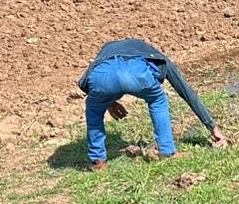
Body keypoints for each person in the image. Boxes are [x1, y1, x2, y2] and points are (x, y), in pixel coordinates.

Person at [78, 38, 226, 170]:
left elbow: (84, 83)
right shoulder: (154, 55)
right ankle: (167, 151)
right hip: (137, 73)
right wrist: (212, 127)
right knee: (157, 101)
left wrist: (107, 101)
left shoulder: (105, 51)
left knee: (94, 111)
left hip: (102, 77)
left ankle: (98, 161)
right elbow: (185, 91)